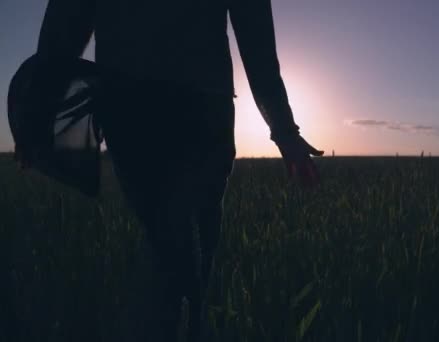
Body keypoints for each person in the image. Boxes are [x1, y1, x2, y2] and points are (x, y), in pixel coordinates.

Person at [36, 0, 324, 340]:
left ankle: (185, 321)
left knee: (187, 246)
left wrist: (285, 130)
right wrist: (37, 115)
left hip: (176, 108)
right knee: (177, 249)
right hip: (151, 106)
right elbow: (69, 19)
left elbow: (67, 22)